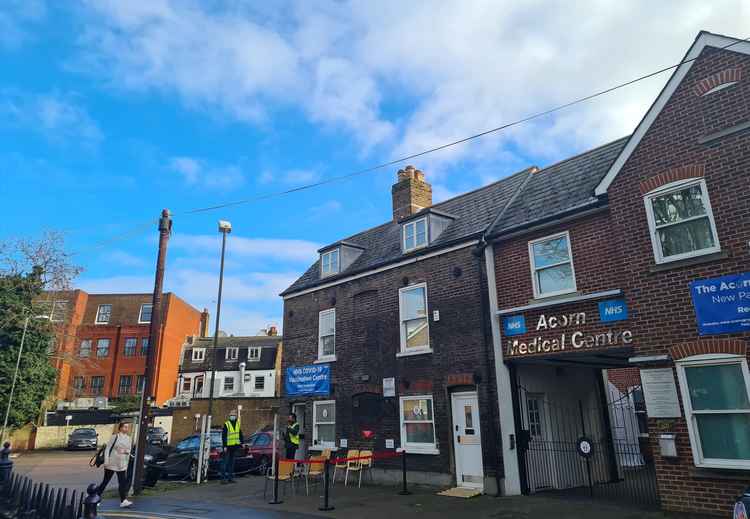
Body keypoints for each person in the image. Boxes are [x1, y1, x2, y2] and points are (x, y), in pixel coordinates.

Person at [96, 421, 133, 508]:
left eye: (127, 427)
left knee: (122, 482)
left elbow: (129, 450)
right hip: (111, 463)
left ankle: (123, 501)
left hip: (122, 464)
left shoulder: (128, 438)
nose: (126, 429)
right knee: (105, 481)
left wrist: (125, 451)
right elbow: (108, 448)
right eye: (124, 427)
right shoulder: (115, 437)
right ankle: (96, 498)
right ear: (120, 428)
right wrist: (106, 461)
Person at [221, 410, 243, 484]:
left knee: (232, 463)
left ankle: (230, 478)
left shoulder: (237, 424)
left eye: (234, 415)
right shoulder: (226, 424)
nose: (232, 416)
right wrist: (224, 446)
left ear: (236, 416)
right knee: (225, 463)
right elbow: (223, 436)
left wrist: (241, 442)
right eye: (231, 415)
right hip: (227, 447)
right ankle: (223, 479)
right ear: (229, 416)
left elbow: (240, 434)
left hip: (234, 446)